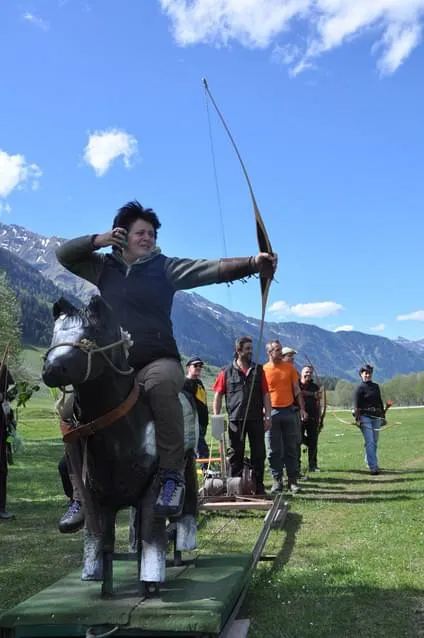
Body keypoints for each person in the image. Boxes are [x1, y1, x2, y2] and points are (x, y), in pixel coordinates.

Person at [56, 200, 277, 517]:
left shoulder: (165, 268)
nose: (147, 238)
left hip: (157, 359)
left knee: (161, 387)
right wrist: (97, 240)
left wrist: (254, 263)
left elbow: (208, 269)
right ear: (122, 235)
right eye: (140, 232)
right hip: (114, 365)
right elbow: (64, 255)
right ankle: (79, 496)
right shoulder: (103, 267)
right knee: (69, 408)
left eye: (152, 233)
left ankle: (172, 476)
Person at [212, 336, 272, 495]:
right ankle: (235, 488)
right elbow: (218, 395)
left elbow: (266, 394)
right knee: (235, 455)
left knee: (259, 454)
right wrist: (217, 418)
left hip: (256, 419)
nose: (251, 352)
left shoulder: (259, 370)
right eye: (247, 349)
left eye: (251, 348)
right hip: (235, 420)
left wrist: (268, 416)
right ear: (238, 351)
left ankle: (258, 487)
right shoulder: (226, 372)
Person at [263, 342, 306, 494]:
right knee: (273, 450)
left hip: (289, 411)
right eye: (277, 350)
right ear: (270, 352)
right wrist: (264, 411)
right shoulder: (263, 370)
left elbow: (297, 390)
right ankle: (277, 481)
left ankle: (292, 481)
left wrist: (302, 409)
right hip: (271, 412)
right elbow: (261, 393)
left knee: (291, 448)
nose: (280, 352)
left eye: (281, 349)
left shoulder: (290, 368)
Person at [353, 364, 386, 475]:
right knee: (370, 441)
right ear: (361, 374)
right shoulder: (359, 388)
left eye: (369, 373)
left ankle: (369, 461)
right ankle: (373, 466)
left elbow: (380, 402)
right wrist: (358, 420)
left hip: (376, 417)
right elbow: (356, 406)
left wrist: (383, 417)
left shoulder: (376, 386)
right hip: (364, 417)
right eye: (365, 373)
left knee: (374, 442)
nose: (368, 375)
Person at [183, 357, 210, 467]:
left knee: (198, 449)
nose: (198, 368)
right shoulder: (184, 384)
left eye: (200, 366)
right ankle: (206, 472)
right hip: (193, 423)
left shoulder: (199, 382)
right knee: (202, 450)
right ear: (188, 367)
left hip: (203, 422)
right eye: (195, 365)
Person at [299, 365, 321, 472]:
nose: (309, 374)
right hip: (299, 417)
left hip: (313, 417)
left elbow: (318, 403)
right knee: (297, 440)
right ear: (301, 373)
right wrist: (313, 394)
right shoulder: (296, 384)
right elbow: (300, 393)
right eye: (306, 372)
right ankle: (296, 465)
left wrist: (320, 418)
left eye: (311, 372)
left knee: (313, 441)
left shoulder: (315, 386)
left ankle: (313, 465)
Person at [0, 364, 15, 520]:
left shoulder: (2, 368)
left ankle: (1, 507)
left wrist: (4, 397)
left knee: (1, 467)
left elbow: (10, 392)